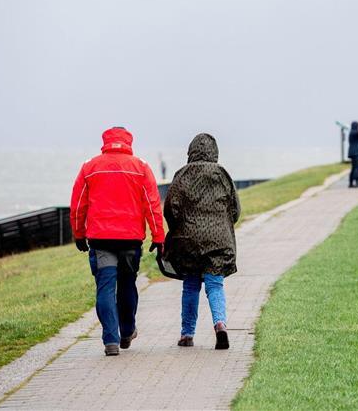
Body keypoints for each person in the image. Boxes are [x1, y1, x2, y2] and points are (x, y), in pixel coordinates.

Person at [70, 127, 165, 356]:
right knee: (127, 284)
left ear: (105, 141)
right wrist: (158, 236)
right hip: (130, 240)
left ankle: (110, 341)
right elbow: (152, 205)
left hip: (101, 239)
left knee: (105, 286)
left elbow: (78, 204)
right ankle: (127, 330)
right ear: (128, 142)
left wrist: (78, 233)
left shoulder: (90, 167)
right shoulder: (140, 167)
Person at [163, 133, 240, 350]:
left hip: (188, 239)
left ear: (191, 151)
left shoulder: (182, 174)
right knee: (215, 284)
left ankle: (187, 333)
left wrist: (176, 228)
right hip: (218, 237)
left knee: (190, 286)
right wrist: (225, 223)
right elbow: (235, 208)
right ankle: (220, 324)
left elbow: (170, 208)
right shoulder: (222, 174)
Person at [347, 121, 358, 188]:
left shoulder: (352, 132)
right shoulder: (354, 132)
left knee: (354, 168)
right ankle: (356, 182)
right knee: (357, 168)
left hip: (353, 153)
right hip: (355, 153)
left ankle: (351, 183)